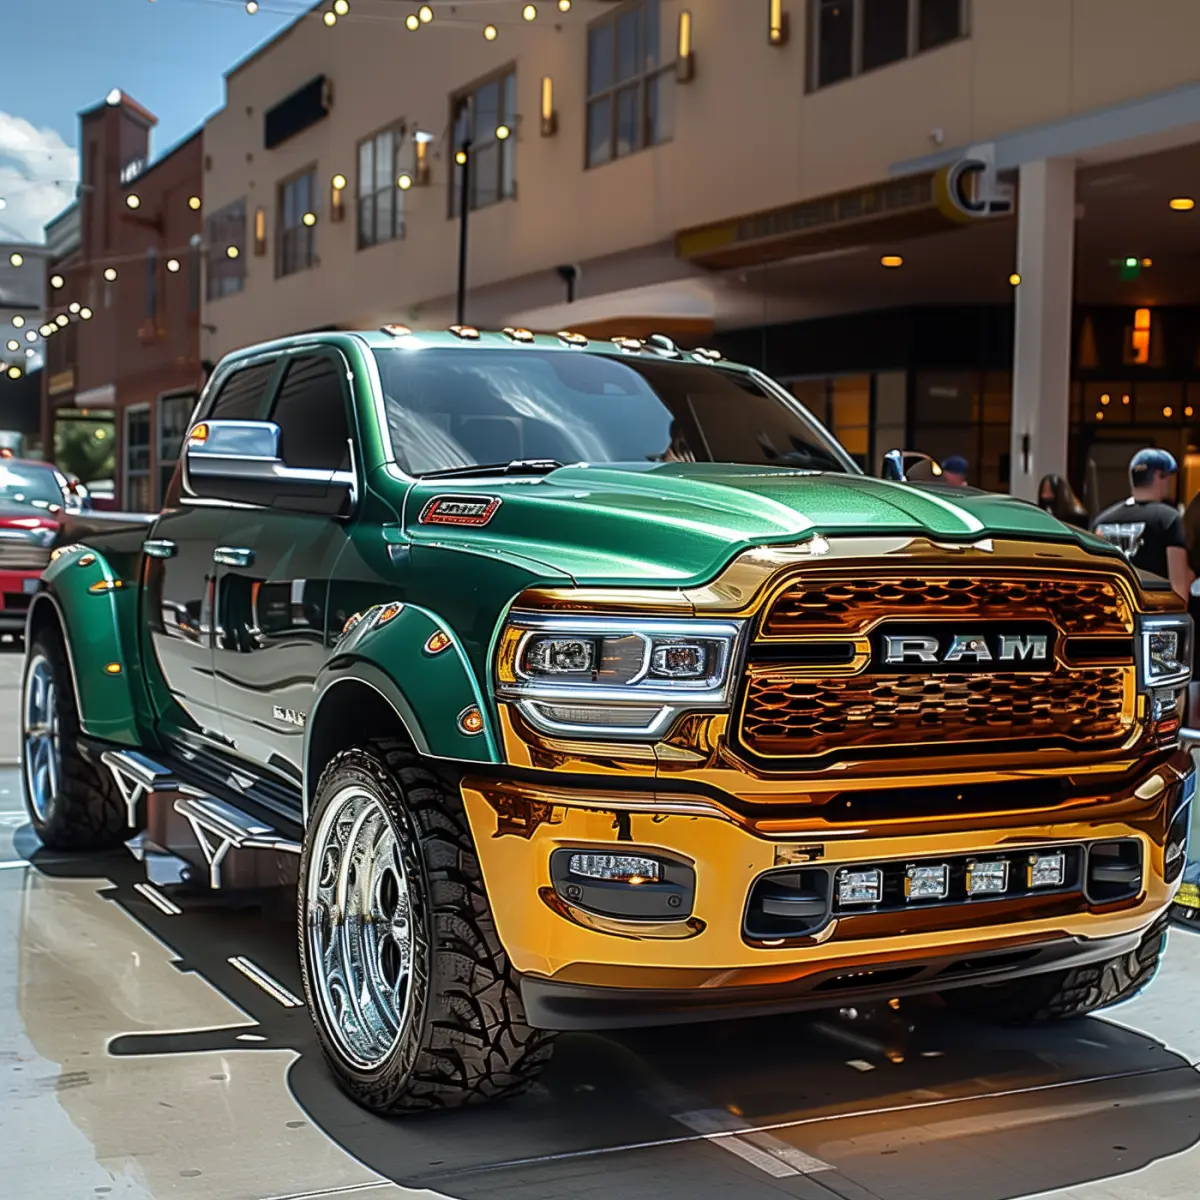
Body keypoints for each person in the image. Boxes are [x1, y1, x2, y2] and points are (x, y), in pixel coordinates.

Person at [1092, 448, 1194, 600]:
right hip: (1151, 612)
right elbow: (1178, 585)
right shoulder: (1168, 519)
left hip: (1110, 610)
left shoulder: (1101, 521)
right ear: (1161, 477)